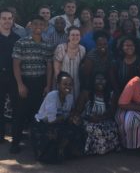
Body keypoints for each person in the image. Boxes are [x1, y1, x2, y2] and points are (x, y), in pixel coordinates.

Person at [11, 16, 53, 153]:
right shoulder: (21, 42)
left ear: (45, 26)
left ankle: (36, 143)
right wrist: (20, 84)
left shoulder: (47, 44)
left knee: (38, 114)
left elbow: (49, 67)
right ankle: (15, 143)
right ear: (30, 26)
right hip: (25, 81)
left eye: (41, 24)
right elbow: (16, 64)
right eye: (35, 24)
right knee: (20, 113)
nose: (38, 27)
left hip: (40, 83)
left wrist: (47, 85)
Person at [31, 72, 85, 163]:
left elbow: (68, 114)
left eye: (70, 84)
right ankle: (53, 153)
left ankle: (62, 150)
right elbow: (51, 120)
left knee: (76, 127)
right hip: (43, 124)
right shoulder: (52, 96)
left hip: (57, 122)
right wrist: (66, 118)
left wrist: (73, 118)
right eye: (64, 84)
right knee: (58, 132)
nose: (68, 87)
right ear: (58, 85)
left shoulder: (70, 97)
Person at [74, 73, 120, 155]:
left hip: (104, 120)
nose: (100, 82)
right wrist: (88, 118)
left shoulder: (111, 94)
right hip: (88, 120)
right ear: (93, 81)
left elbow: (111, 113)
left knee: (112, 129)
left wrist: (99, 119)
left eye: (103, 79)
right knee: (94, 129)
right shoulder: (86, 94)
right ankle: (93, 149)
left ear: (106, 81)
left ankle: (103, 149)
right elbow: (78, 111)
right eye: (98, 79)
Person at [0, 9, 20, 143]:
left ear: (13, 20)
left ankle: (16, 138)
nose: (7, 21)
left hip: (14, 78)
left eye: (9, 18)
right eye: (4, 18)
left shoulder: (18, 39)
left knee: (17, 108)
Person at [54, 26, 86, 101]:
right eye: (72, 35)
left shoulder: (82, 49)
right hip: (63, 82)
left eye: (77, 35)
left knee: (74, 103)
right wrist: (59, 81)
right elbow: (56, 67)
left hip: (76, 82)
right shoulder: (61, 48)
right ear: (68, 37)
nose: (75, 37)